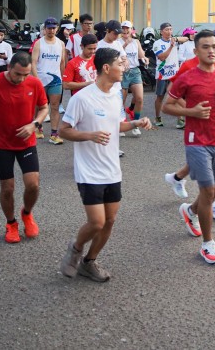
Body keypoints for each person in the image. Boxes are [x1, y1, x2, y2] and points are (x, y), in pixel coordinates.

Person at [58, 48, 153, 281]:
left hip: (112, 169)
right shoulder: (82, 98)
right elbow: (63, 130)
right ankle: (76, 248)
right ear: (106, 68)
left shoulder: (114, 96)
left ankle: (89, 262)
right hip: (89, 171)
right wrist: (89, 135)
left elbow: (116, 125)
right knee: (96, 221)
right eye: (120, 64)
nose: (125, 68)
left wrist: (135, 123)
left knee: (109, 220)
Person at [162, 30, 215, 265]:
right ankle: (208, 245)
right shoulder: (187, 77)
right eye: (206, 47)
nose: (211, 50)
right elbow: (167, 106)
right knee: (207, 192)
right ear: (196, 51)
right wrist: (191, 112)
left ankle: (190, 211)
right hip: (196, 141)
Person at [0, 50, 50, 243]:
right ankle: (11, 223)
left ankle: (27, 213)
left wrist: (34, 124)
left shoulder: (35, 83)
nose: (21, 79)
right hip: (2, 142)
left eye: (25, 74)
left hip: (26, 141)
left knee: (33, 185)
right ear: (9, 68)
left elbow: (44, 107)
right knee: (7, 188)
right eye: (17, 74)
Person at [32, 17, 66, 145]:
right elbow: (33, 62)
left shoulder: (61, 43)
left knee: (55, 107)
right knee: (39, 106)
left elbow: (62, 62)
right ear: (44, 29)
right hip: (40, 79)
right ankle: (37, 127)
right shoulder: (39, 43)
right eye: (49, 28)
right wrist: (36, 79)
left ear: (57, 29)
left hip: (56, 80)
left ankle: (54, 134)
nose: (51, 30)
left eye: (53, 28)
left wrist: (63, 79)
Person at [152, 22, 186, 128]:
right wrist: (171, 46)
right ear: (161, 32)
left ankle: (180, 120)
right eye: (167, 29)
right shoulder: (157, 43)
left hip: (174, 74)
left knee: (176, 96)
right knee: (160, 97)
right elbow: (162, 57)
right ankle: (158, 117)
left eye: (171, 29)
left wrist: (175, 39)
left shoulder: (174, 40)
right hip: (162, 74)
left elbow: (186, 38)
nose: (169, 31)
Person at [119, 20, 148, 129]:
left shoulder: (136, 42)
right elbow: (116, 55)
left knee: (139, 98)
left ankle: (135, 123)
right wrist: (125, 44)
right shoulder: (117, 42)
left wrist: (145, 59)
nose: (125, 30)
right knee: (121, 100)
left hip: (135, 71)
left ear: (132, 30)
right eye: (123, 28)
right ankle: (121, 122)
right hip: (122, 72)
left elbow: (141, 55)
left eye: (128, 28)